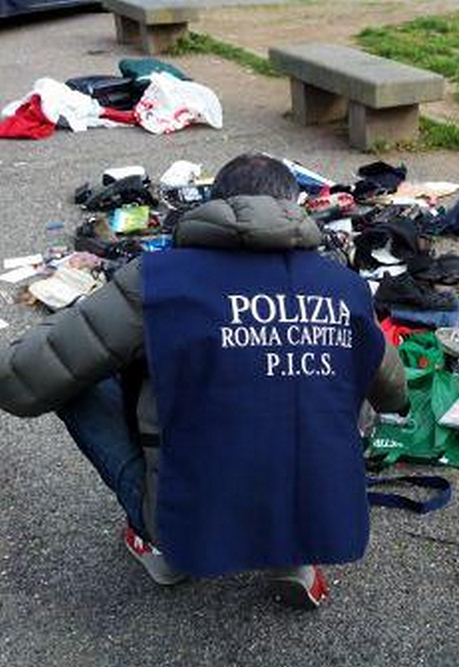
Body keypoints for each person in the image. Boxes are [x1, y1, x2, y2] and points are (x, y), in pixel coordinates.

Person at [0, 153, 408, 609]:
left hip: (192, 518)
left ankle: (167, 549)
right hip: (322, 513)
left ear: (215, 204)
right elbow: (395, 395)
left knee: (74, 374)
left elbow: (23, 381)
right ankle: (294, 552)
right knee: (333, 376)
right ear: (295, 205)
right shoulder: (344, 287)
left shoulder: (158, 281)